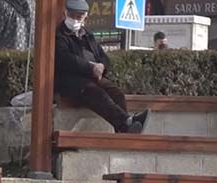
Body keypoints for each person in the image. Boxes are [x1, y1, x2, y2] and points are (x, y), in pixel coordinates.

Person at [55, 0, 149, 133]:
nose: (75, 20)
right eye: (73, 16)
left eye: (79, 17)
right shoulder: (60, 35)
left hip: (92, 76)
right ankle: (126, 124)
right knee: (96, 93)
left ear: (84, 18)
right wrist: (90, 67)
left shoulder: (87, 34)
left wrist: (101, 67)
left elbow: (102, 56)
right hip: (72, 81)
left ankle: (126, 126)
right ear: (66, 14)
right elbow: (66, 59)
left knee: (116, 93)